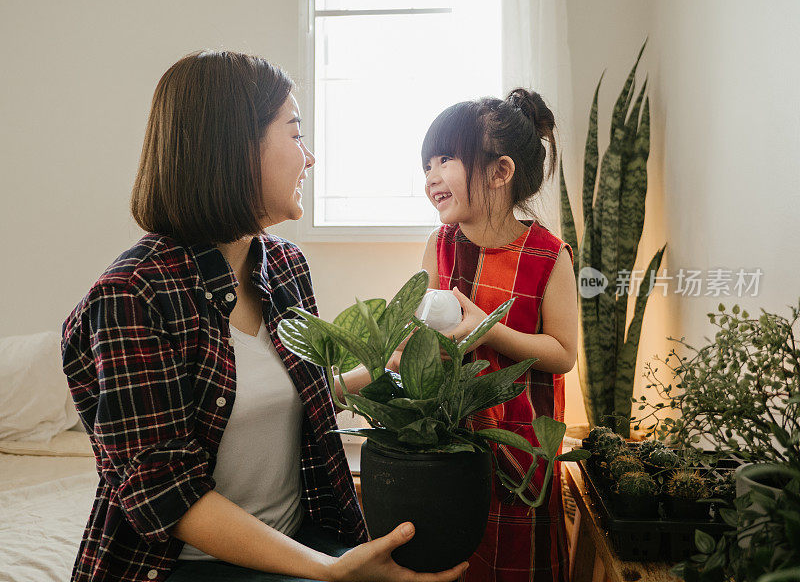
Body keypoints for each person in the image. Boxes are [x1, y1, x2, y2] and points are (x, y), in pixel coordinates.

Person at [61, 50, 469, 582]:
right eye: (295, 133)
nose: (310, 158)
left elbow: (291, 398)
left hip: (300, 540)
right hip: (185, 566)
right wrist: (327, 570)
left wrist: (399, 361)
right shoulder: (131, 297)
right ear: (233, 147)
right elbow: (165, 494)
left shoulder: (284, 266)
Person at [418, 90, 579, 582]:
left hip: (522, 448)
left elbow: (563, 353)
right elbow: (423, 338)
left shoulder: (548, 256)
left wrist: (488, 330)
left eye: (446, 159)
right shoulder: (440, 246)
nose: (431, 175)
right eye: (427, 163)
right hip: (452, 440)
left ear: (499, 172)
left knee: (517, 559)